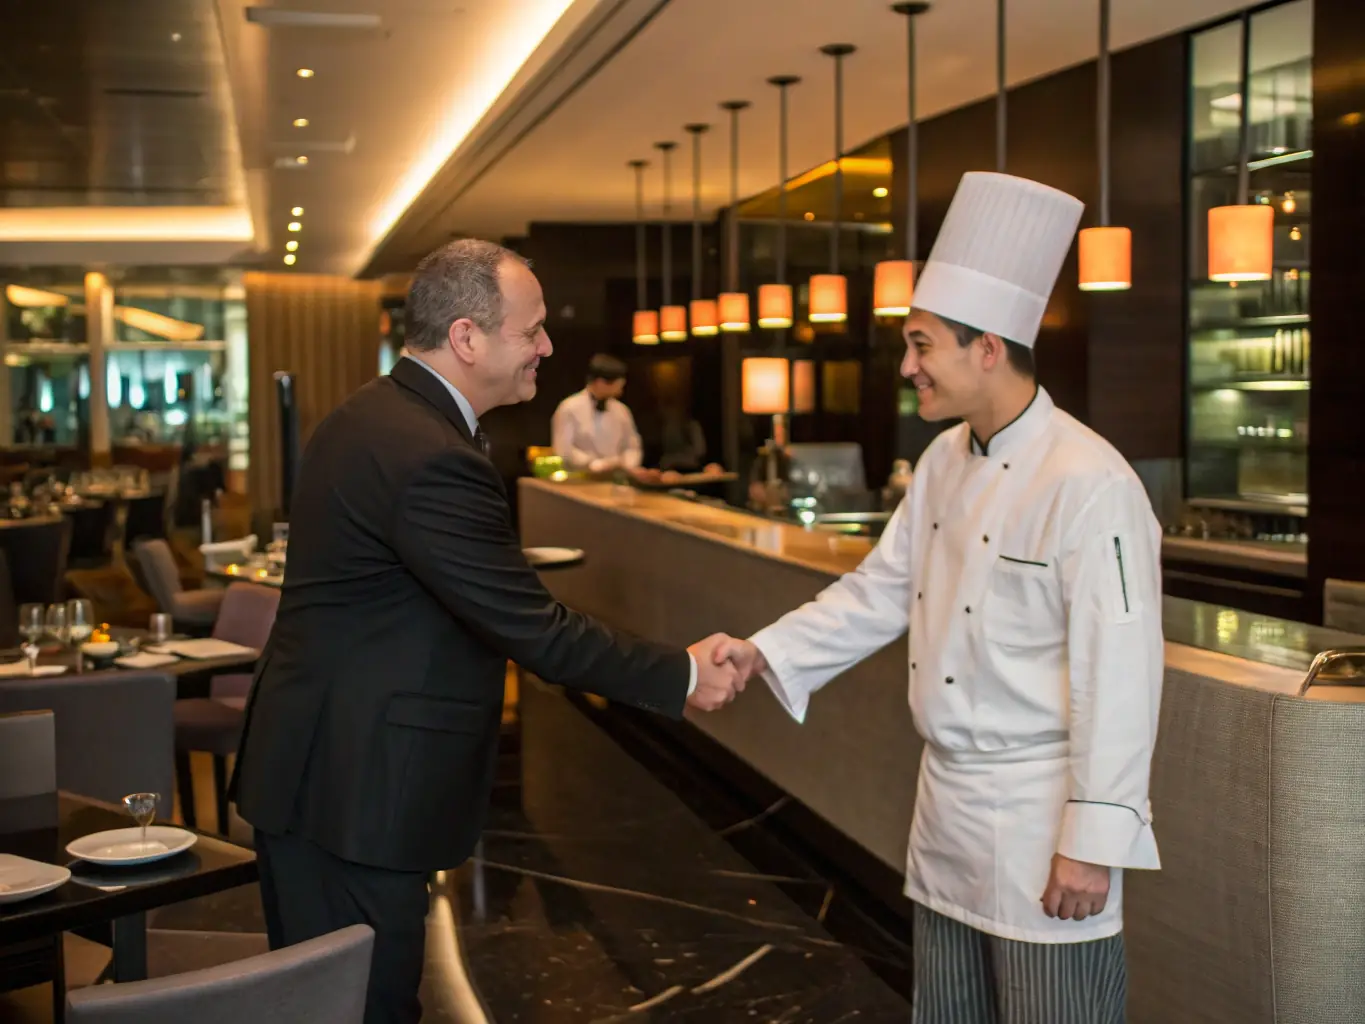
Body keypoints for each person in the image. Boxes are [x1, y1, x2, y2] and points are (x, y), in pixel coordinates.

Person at [230, 238, 744, 1024]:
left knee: (333, 1002)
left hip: (323, 768)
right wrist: (678, 671)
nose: (546, 346)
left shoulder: (380, 415)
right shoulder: (429, 452)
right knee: (362, 1007)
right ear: (467, 338)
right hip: (351, 786)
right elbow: (529, 627)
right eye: (529, 329)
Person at [712, 172, 1163, 1024]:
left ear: (986, 348)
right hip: (946, 812)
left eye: (922, 346)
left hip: (1040, 820)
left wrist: (1092, 842)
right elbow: (882, 591)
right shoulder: (943, 462)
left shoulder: (1091, 482)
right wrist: (763, 650)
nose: (908, 366)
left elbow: (1123, 673)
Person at [551, 353, 643, 473]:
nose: (621, 391)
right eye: (619, 386)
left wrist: (627, 465)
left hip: (615, 478)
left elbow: (632, 446)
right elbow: (563, 448)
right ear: (601, 382)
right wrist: (592, 463)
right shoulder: (569, 408)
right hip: (579, 477)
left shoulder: (622, 410)